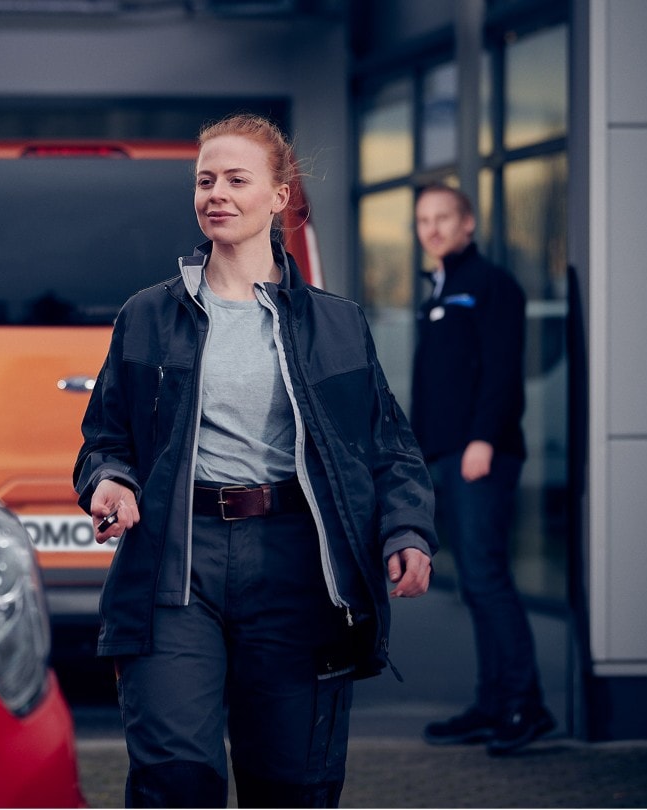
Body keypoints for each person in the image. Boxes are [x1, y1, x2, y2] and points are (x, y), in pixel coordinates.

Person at [73, 113, 437, 809]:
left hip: (297, 565)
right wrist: (111, 481)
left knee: (292, 783)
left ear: (279, 195)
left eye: (237, 180)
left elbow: (387, 446)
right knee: (175, 775)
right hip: (177, 565)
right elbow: (105, 437)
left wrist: (408, 532)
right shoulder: (147, 316)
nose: (217, 193)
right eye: (205, 181)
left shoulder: (336, 323)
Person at [410, 184, 554, 755]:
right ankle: (494, 703)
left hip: (480, 455)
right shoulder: (439, 290)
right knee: (473, 583)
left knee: (488, 579)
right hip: (444, 455)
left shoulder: (492, 285)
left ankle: (525, 705)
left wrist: (482, 439)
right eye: (424, 219)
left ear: (468, 223)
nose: (433, 228)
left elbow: (500, 373)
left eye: (444, 217)